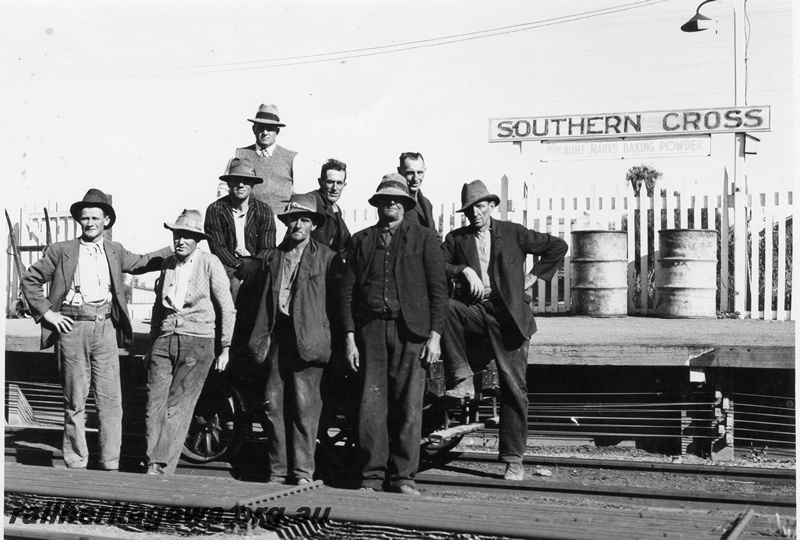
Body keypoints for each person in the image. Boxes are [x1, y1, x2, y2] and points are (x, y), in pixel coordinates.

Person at [21, 188, 171, 471]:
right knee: (75, 399)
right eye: (84, 218)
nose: (89, 223)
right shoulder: (61, 251)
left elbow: (141, 262)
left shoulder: (114, 251)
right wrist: (49, 314)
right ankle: (76, 462)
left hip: (105, 329)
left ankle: (109, 462)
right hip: (72, 327)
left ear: (106, 221)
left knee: (111, 400)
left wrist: (174, 247)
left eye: (95, 218)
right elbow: (30, 279)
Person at [441, 180, 568, 481]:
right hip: (475, 310)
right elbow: (436, 262)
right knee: (446, 309)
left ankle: (513, 459)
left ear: (492, 206)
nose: (476, 213)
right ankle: (462, 379)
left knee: (513, 386)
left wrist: (534, 277)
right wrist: (462, 270)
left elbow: (557, 247)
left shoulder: (513, 233)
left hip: (509, 317)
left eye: (481, 206)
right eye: (470, 208)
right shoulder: (457, 239)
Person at [342, 174, 448, 495]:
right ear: (377, 204)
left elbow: (438, 292)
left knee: (409, 407)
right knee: (371, 406)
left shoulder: (425, 238)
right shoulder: (361, 241)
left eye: (397, 200)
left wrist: (435, 336)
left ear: (405, 204)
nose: (392, 204)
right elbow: (346, 293)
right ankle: (371, 477)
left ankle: (403, 478)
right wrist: (349, 337)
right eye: (386, 199)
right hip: (370, 332)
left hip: (411, 332)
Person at [248, 194, 346, 485]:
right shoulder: (274, 256)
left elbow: (337, 303)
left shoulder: (326, 257)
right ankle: (278, 471)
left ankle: (303, 473)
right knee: (272, 404)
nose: (298, 225)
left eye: (304, 219)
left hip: (309, 340)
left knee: (305, 408)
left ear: (314, 225)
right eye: (293, 219)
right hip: (279, 337)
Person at [145, 209, 236, 475]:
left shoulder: (210, 263)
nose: (181, 241)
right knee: (154, 404)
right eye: (177, 235)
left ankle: (162, 469)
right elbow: (156, 308)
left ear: (198, 240)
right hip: (164, 340)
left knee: (178, 407)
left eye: (187, 236)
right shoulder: (167, 264)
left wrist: (226, 347)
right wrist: (152, 344)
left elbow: (226, 307)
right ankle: (152, 462)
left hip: (198, 343)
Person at [204, 157, 276, 305]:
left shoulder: (263, 209)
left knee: (267, 285)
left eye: (246, 180)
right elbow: (217, 246)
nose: (241, 185)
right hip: (228, 262)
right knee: (233, 284)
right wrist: (237, 265)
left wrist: (254, 266)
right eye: (236, 180)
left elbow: (267, 246)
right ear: (229, 183)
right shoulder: (216, 209)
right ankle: (230, 326)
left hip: (256, 262)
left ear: (253, 185)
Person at [219, 104, 297, 218]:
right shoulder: (238, 154)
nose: (265, 132)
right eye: (261, 128)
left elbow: (298, 195)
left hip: (280, 221)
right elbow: (224, 188)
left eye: (270, 129)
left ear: (277, 131)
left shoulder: (292, 158)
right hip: (246, 220)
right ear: (253, 129)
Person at [306, 158, 353, 262]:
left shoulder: (335, 209)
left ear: (344, 185)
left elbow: (346, 241)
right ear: (320, 182)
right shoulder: (310, 201)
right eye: (330, 182)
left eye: (339, 183)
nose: (335, 188)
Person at [397, 152, 435, 231]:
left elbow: (433, 233)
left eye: (420, 172)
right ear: (400, 171)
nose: (415, 179)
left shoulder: (426, 203)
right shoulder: (397, 201)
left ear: (424, 171)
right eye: (410, 173)